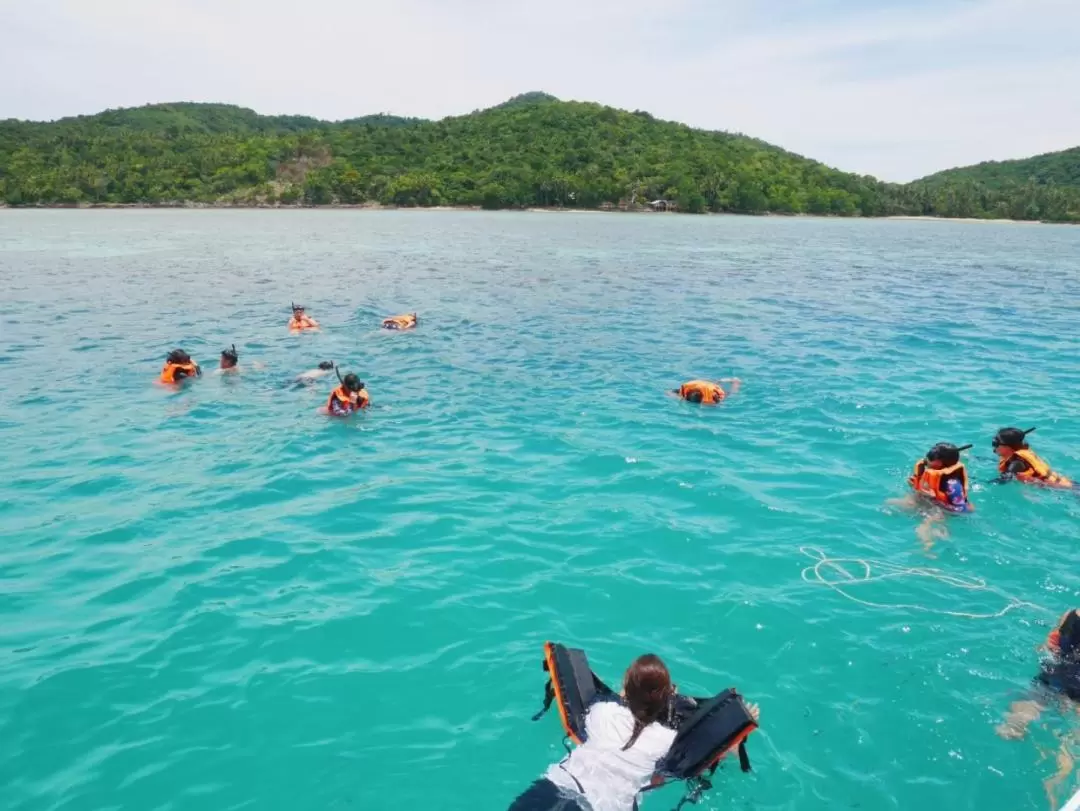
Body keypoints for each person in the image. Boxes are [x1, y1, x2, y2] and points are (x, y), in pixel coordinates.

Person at [997, 610, 1080, 806]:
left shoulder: (1071, 615)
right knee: (1071, 741)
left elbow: (1049, 646)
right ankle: (1061, 775)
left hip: (1055, 676)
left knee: (1035, 700)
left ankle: (1014, 724)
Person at [993, 427, 1074, 488]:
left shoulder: (1017, 463)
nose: (994, 447)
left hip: (1066, 490)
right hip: (1070, 483)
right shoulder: (1021, 454)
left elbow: (1004, 479)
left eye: (996, 444)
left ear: (1008, 447)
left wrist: (983, 483)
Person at [671, 378, 741, 405]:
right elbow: (670, 392)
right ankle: (718, 382)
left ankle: (736, 382)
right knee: (711, 386)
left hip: (710, 388)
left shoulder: (711, 395)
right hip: (702, 384)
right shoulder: (685, 391)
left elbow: (718, 402)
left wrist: (715, 404)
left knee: (730, 394)